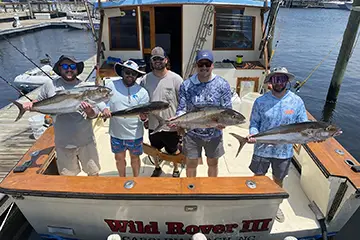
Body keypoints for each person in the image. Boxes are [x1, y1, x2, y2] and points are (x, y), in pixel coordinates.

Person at [246, 67, 309, 222]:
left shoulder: (296, 102)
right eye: (276, 79)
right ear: (270, 81)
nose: (279, 82)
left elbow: (304, 125)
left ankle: (274, 206)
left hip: (284, 152)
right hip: (262, 149)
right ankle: (257, 203)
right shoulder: (260, 101)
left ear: (287, 81)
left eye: (282, 79)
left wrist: (313, 136)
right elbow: (254, 122)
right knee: (258, 177)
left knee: (278, 179)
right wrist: (253, 133)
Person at [22, 55, 101, 176]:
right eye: (65, 66)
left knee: (93, 172)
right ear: (59, 68)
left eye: (72, 66)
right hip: (63, 142)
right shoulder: (50, 85)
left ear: (77, 69)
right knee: (68, 177)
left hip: (85, 141)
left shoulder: (84, 88)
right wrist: (30, 106)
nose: (69, 69)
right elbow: (39, 102)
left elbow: (94, 115)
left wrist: (89, 111)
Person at [176, 50, 232, 177]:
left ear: (212, 65)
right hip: (192, 133)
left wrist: (224, 124)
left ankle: (211, 190)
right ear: (196, 65)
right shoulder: (186, 85)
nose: (204, 67)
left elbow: (227, 108)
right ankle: (191, 190)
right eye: (201, 64)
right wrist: (178, 119)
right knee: (191, 164)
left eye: (207, 64)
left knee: (213, 163)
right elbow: (182, 107)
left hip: (214, 133)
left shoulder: (222, 84)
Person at [98, 60, 149, 177]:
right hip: (116, 133)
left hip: (135, 134)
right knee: (119, 158)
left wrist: (143, 118)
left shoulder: (143, 92)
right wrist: (104, 109)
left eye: (133, 73)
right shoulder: (111, 86)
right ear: (122, 72)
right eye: (127, 72)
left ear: (137, 76)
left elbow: (144, 117)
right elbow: (100, 101)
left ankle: (136, 179)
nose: (130, 75)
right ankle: (122, 179)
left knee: (135, 158)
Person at [139, 47, 183, 177]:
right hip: (153, 124)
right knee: (154, 149)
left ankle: (175, 169)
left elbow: (182, 102)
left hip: (171, 124)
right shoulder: (145, 80)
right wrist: (144, 119)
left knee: (173, 150)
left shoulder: (176, 79)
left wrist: (179, 122)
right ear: (151, 62)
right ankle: (157, 167)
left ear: (166, 60)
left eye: (160, 58)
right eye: (154, 59)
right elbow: (142, 103)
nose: (157, 61)